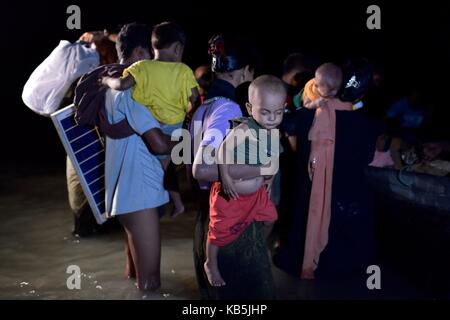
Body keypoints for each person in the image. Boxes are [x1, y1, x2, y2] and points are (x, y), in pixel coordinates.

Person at [89, 23, 178, 292]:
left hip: (122, 194)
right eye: (153, 53)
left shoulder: (110, 87)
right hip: (139, 195)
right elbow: (160, 145)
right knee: (151, 285)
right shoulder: (134, 90)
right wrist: (195, 141)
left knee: (133, 276)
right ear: (140, 52)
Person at [190, 34, 275, 299]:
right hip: (231, 224)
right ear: (246, 71)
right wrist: (262, 169)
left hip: (212, 221)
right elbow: (201, 169)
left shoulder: (203, 106)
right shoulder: (228, 110)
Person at [102, 21, 199, 217]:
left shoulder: (141, 67)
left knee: (164, 170)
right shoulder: (184, 70)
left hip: (154, 126)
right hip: (173, 130)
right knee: (166, 168)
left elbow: (121, 84)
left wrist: (105, 80)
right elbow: (195, 98)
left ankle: (175, 202)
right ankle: (175, 203)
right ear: (178, 48)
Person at [203, 75, 286, 286]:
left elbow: (273, 158)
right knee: (218, 231)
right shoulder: (245, 129)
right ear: (250, 108)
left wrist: (269, 180)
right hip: (230, 194)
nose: (272, 118)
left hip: (256, 194)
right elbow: (223, 150)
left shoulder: (274, 133)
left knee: (271, 218)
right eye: (265, 112)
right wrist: (226, 177)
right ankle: (210, 263)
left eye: (278, 113)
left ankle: (261, 245)